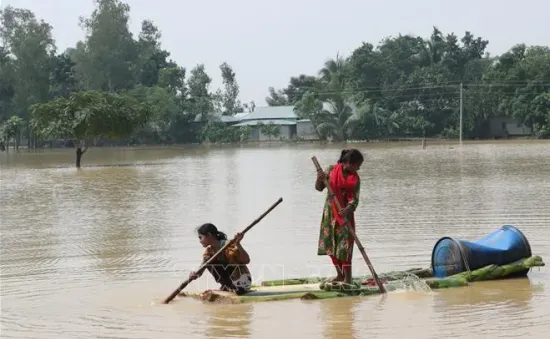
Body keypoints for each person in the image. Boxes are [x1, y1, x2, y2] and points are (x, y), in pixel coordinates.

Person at [315, 148, 364, 285]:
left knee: (345, 248)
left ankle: (348, 279)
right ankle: (340, 275)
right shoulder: (331, 170)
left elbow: (354, 200)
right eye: (357, 165)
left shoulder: (355, 179)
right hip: (330, 214)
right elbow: (319, 188)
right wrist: (320, 179)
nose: (358, 169)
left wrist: (347, 209)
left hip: (345, 217)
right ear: (348, 162)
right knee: (330, 246)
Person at [188, 223, 253, 295]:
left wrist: (238, 244)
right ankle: (226, 286)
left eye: (201, 237)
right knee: (208, 261)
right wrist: (195, 275)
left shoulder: (228, 245)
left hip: (242, 283)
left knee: (213, 261)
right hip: (230, 284)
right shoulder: (209, 252)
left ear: (209, 235)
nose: (200, 241)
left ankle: (232, 287)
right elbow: (201, 269)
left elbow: (247, 260)